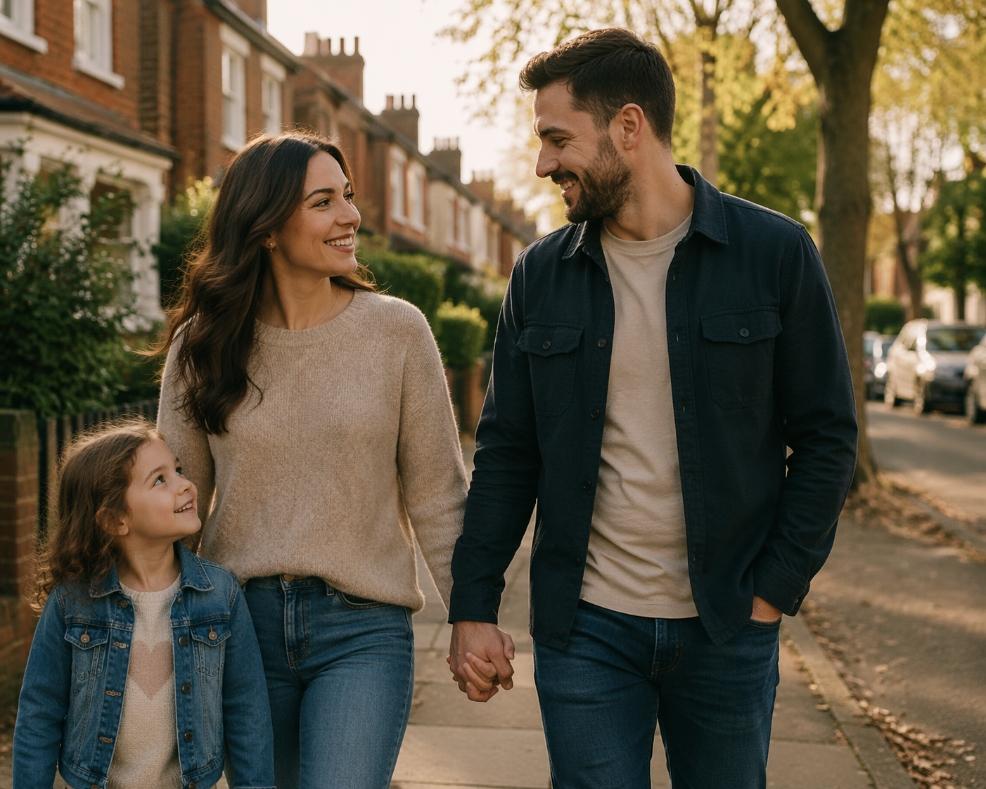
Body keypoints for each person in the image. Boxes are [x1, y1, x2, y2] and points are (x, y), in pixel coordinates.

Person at [447, 27, 858, 788]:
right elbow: (507, 452)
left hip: (730, 622)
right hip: (586, 627)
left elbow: (828, 438)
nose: (543, 164)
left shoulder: (775, 253)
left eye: (556, 139)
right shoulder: (540, 276)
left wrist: (773, 590)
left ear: (628, 127)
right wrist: (472, 604)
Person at [156, 131, 467, 789]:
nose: (350, 216)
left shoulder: (397, 331)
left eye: (347, 197)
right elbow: (174, 505)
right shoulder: (202, 345)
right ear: (267, 227)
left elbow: (439, 495)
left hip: (362, 629)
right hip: (239, 631)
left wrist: (473, 617)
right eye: (324, 201)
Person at [12, 418, 273, 789]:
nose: (185, 484)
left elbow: (247, 711)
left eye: (178, 470)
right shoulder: (72, 602)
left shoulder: (220, 594)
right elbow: (39, 713)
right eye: (160, 479)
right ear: (114, 519)